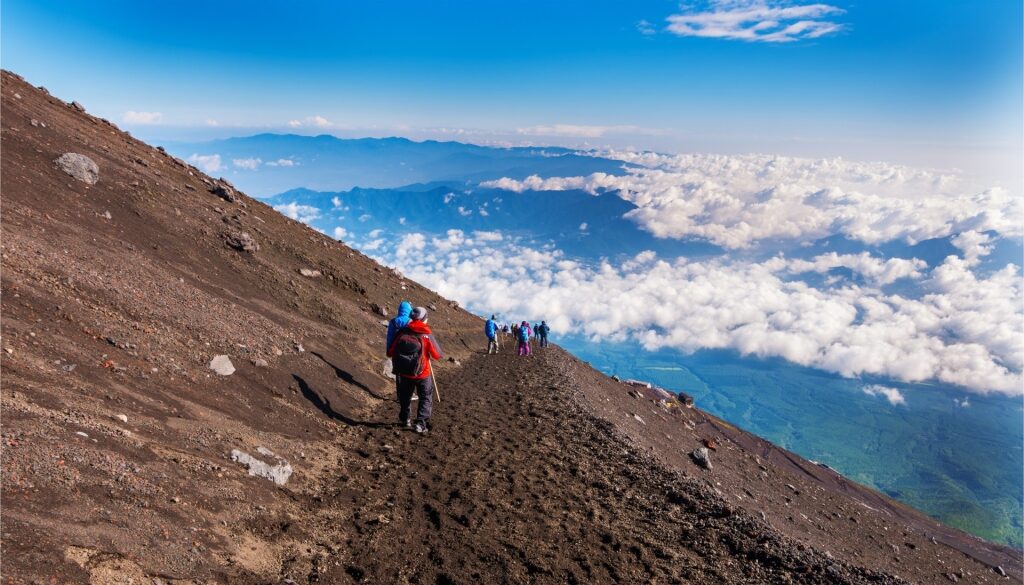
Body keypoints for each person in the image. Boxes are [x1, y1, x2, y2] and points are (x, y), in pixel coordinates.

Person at [387, 306, 442, 434]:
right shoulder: (426, 334)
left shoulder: (402, 332)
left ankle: (405, 419)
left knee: (405, 397)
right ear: (424, 319)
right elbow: (437, 355)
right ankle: (420, 424)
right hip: (423, 373)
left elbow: (390, 352)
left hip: (404, 373)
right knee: (425, 397)